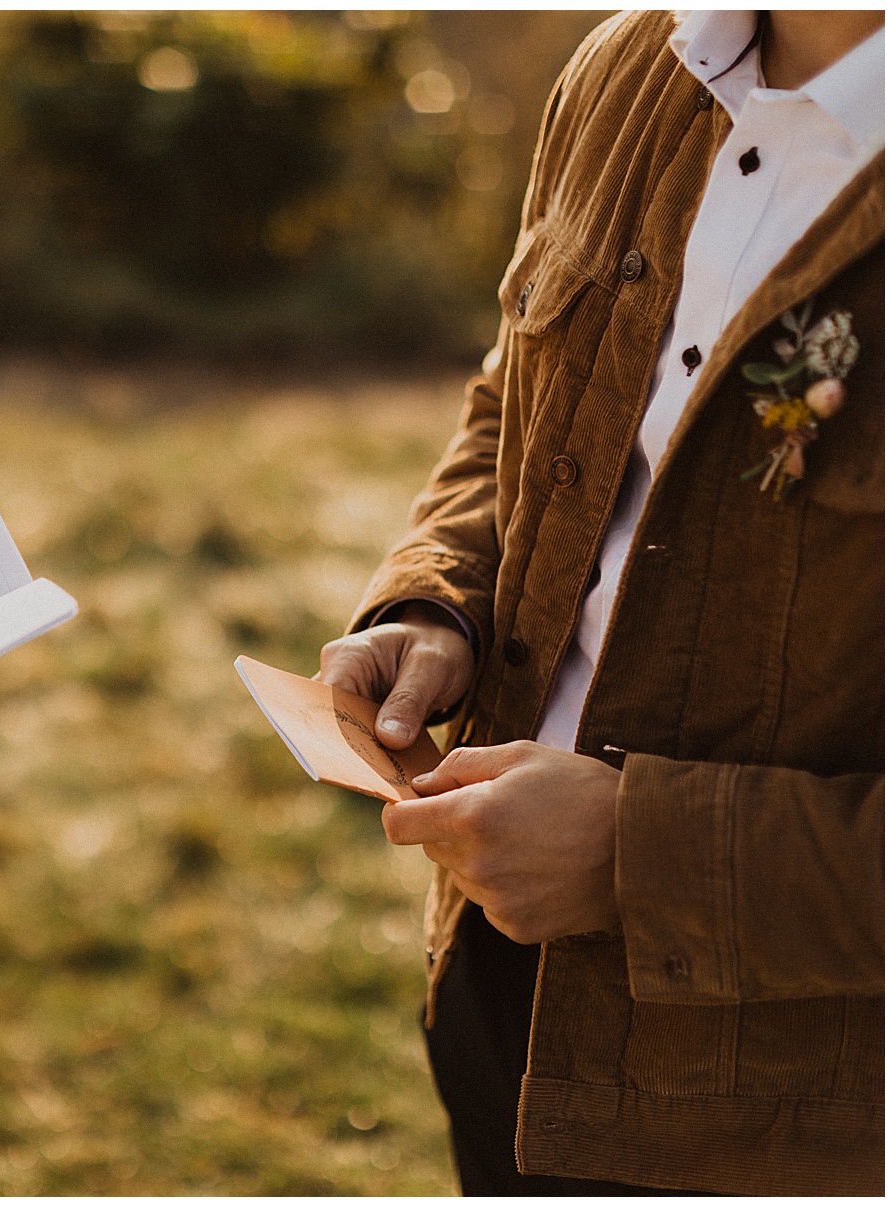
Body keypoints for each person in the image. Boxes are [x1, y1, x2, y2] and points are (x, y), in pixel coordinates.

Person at [318, 9, 882, 1196]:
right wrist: (436, 604)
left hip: (791, 1127)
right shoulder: (629, 62)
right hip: (500, 1001)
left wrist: (638, 853)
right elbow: (510, 404)